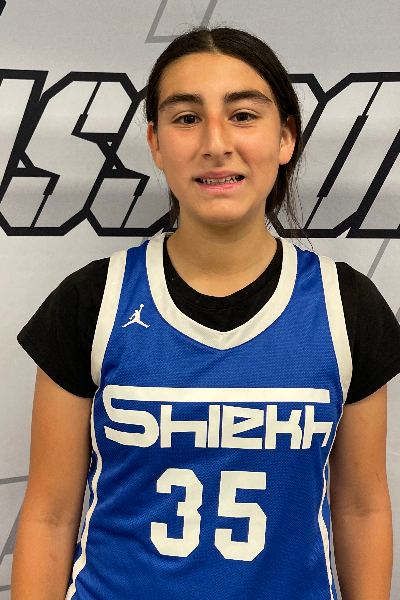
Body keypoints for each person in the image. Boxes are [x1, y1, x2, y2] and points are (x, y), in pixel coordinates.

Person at [11, 26, 400, 600]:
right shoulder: (93, 300)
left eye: (243, 115)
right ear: (155, 142)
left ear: (286, 137)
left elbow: (362, 507)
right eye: (187, 118)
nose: (216, 143)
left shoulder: (346, 306)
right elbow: (50, 513)